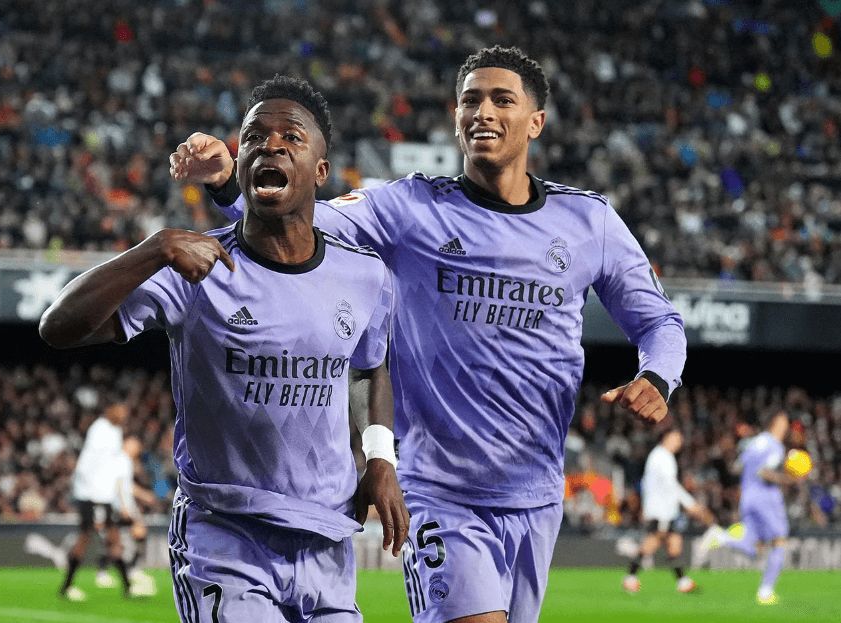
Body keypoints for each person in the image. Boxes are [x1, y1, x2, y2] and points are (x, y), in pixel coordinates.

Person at [171, 46, 686, 623]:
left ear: (535, 122)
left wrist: (657, 377)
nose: (482, 112)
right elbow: (297, 217)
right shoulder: (409, 207)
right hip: (438, 492)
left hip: (537, 494)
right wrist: (226, 183)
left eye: (502, 100)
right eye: (470, 100)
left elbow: (659, 321)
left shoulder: (589, 222)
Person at [40, 75, 408, 623]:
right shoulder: (195, 266)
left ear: (321, 173)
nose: (271, 145)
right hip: (225, 536)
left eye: (291, 137)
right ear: (239, 166)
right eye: (255, 137)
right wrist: (155, 248)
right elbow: (58, 326)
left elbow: (367, 368)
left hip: (326, 538)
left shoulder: (364, 275)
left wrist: (380, 457)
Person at [698, 411, 803, 605]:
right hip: (766, 498)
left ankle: (722, 537)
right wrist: (787, 479)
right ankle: (765, 592)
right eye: (783, 423)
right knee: (779, 541)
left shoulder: (756, 441)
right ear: (775, 424)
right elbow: (764, 472)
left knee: (757, 549)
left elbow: (738, 466)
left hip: (748, 497)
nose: (785, 426)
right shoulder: (775, 446)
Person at [622, 428, 713, 594]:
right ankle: (631, 578)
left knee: (673, 544)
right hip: (661, 510)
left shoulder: (659, 456)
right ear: (665, 438)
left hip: (663, 509)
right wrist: (690, 503)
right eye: (676, 438)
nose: (679, 443)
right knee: (652, 544)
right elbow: (670, 484)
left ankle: (682, 582)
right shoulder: (662, 457)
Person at [59, 402, 132, 601]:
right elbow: (87, 463)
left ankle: (128, 586)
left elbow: (109, 467)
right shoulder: (100, 429)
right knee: (86, 537)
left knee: (113, 537)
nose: (123, 416)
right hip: (91, 494)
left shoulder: (114, 431)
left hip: (104, 495)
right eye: (120, 411)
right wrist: (92, 493)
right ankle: (67, 586)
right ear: (110, 410)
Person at [95, 435, 158, 596]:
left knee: (117, 541)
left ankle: (110, 573)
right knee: (121, 539)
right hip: (120, 506)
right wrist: (124, 506)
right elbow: (121, 485)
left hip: (118, 505)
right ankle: (130, 571)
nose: (136, 449)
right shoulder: (122, 461)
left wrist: (143, 496)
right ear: (126, 445)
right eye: (133, 445)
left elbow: (126, 485)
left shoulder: (123, 461)